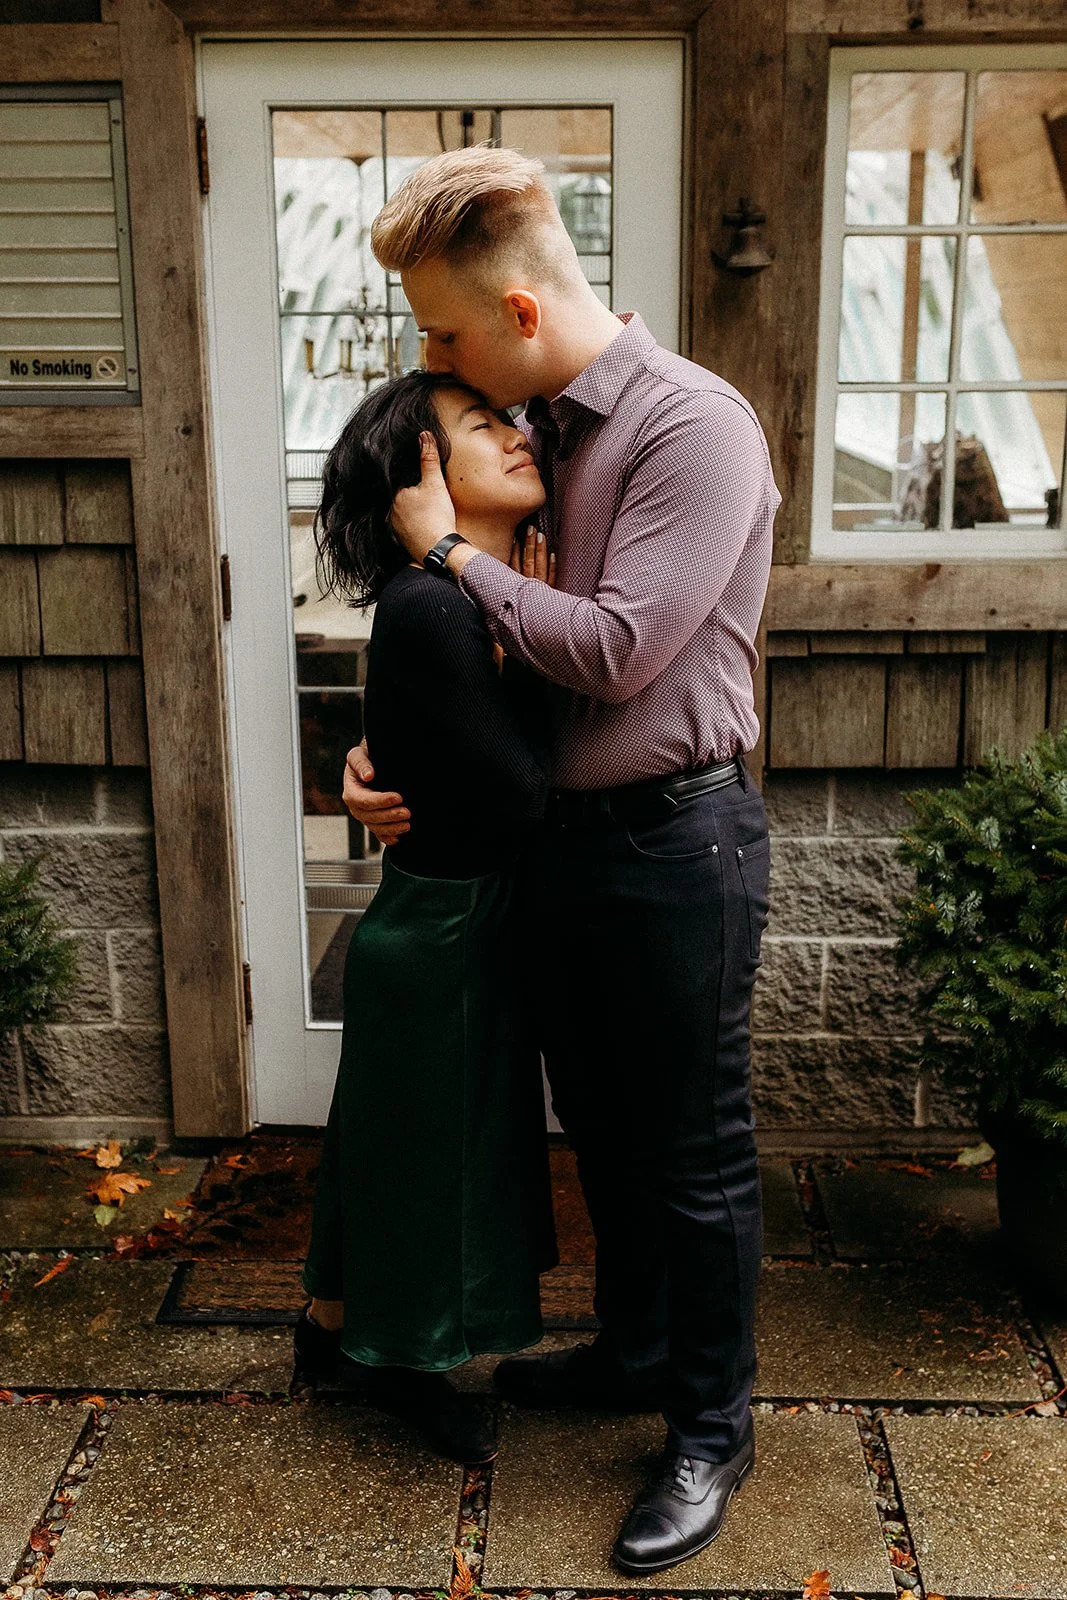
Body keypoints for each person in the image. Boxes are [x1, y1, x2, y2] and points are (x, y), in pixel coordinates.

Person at [342, 146, 779, 1575]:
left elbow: (611, 647)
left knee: (693, 1153)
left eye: (444, 333)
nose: (432, 358)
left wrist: (445, 554)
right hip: (559, 851)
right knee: (601, 1129)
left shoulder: (686, 428)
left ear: (519, 313)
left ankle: (708, 1428)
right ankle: (635, 1350)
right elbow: (485, 678)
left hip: (674, 842)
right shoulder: (548, 431)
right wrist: (375, 765)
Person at [292, 369, 560, 1467]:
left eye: (505, 415)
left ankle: (331, 1331)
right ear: (420, 480)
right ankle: (405, 1365)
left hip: (449, 923)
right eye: (479, 428)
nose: (514, 433)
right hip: (441, 934)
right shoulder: (429, 602)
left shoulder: (466, 595)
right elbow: (519, 791)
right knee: (428, 1163)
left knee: (398, 1143)